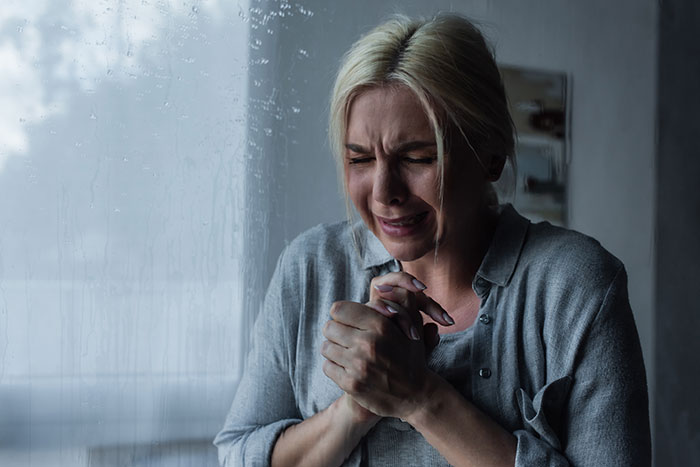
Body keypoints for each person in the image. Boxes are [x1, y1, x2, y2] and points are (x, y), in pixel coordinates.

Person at [214, 13, 651, 466]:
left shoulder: (577, 287)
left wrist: (419, 396)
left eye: (418, 157)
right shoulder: (308, 268)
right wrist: (354, 409)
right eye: (360, 159)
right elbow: (235, 455)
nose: (384, 194)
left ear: (492, 158)